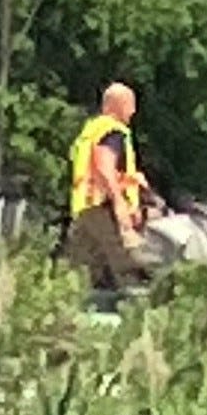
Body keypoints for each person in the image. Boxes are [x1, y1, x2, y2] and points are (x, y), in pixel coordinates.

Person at [62, 82, 157, 292]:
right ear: (117, 105)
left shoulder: (90, 132)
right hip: (104, 208)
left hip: (86, 208)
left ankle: (58, 314)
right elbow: (103, 167)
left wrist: (135, 181)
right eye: (130, 105)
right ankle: (142, 314)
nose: (133, 111)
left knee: (78, 270)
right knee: (128, 264)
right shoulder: (113, 131)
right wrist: (120, 204)